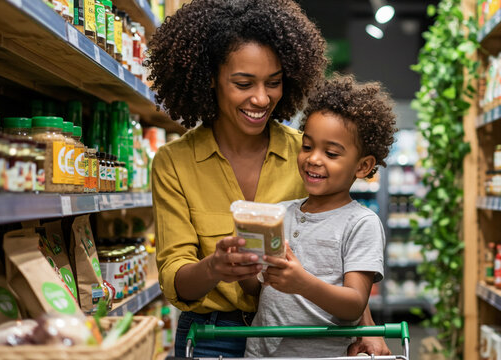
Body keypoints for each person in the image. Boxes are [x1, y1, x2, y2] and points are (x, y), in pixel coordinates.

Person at [147, 0, 390, 357]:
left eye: (273, 82)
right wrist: (216, 266)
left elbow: (334, 252)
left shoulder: (306, 155)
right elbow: (175, 279)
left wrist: (367, 327)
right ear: (210, 78)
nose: (262, 98)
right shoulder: (175, 162)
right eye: (244, 83)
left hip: (299, 336)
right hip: (212, 336)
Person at [241, 75, 397, 357]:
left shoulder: (360, 223)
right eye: (308, 146)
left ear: (363, 166)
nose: (313, 159)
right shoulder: (281, 213)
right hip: (261, 352)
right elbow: (261, 288)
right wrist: (244, 269)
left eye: (332, 153)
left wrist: (302, 283)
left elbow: (354, 303)